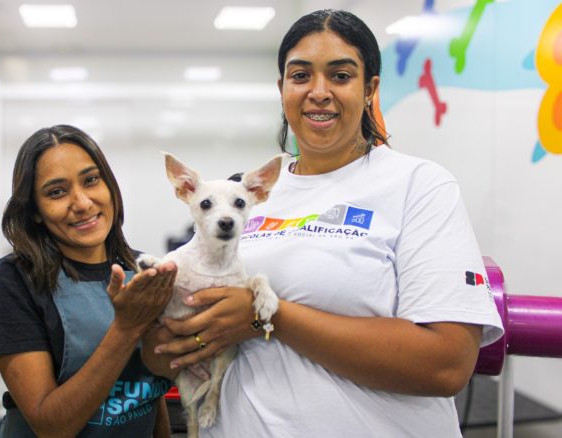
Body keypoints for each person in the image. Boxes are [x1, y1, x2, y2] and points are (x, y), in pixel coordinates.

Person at [144, 9, 504, 437]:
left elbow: (447, 364)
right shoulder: (244, 197)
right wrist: (158, 329)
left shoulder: (419, 185)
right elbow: (165, 350)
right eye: (300, 76)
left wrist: (267, 318)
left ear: (370, 89)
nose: (318, 92)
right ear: (282, 89)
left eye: (340, 76)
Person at [0, 125, 177, 437]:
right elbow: (51, 426)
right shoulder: (14, 281)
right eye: (56, 192)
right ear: (35, 211)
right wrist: (126, 328)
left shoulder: (141, 267)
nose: (82, 203)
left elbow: (148, 392)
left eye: (91, 180)